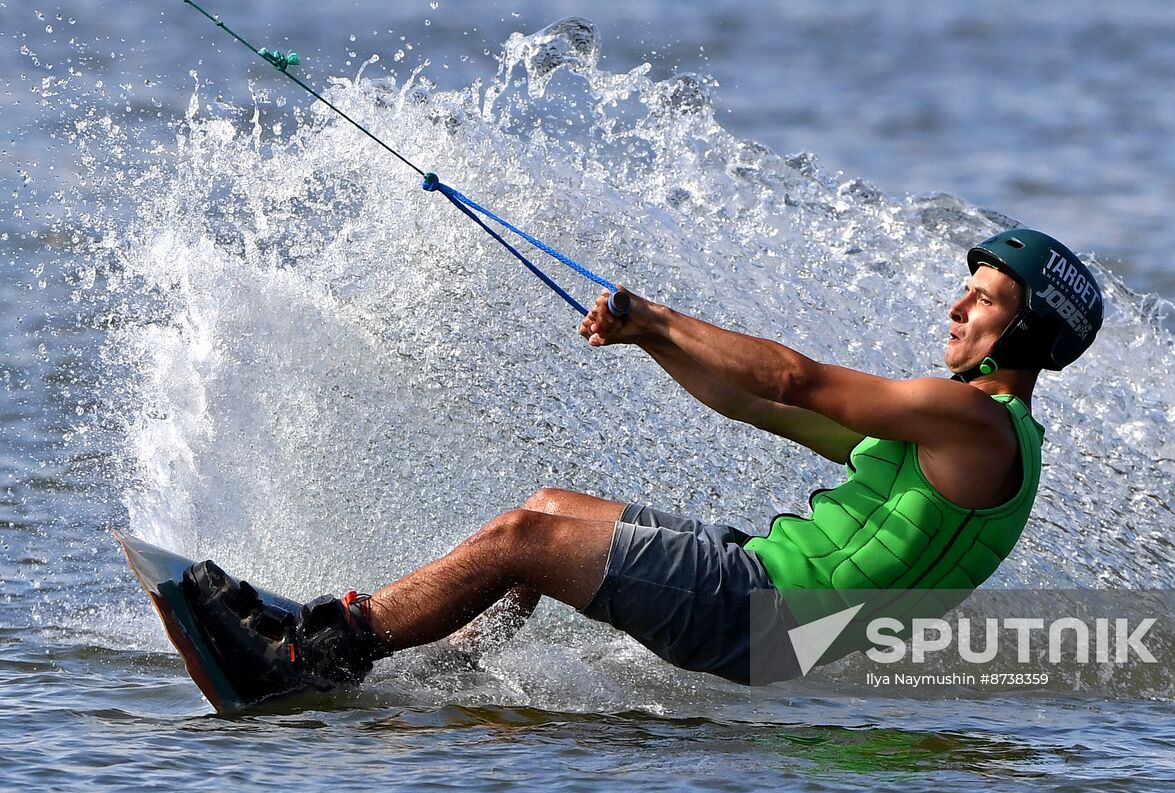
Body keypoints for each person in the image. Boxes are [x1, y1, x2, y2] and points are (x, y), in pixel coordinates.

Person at [181, 227, 1103, 702]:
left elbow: (795, 374)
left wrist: (658, 314)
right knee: (549, 507)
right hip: (782, 619)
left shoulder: (972, 422)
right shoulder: (964, 444)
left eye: (979, 301)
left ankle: (315, 655)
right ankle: (450, 665)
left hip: (768, 611)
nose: (954, 307)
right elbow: (757, 401)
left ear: (1024, 331)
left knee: (520, 539)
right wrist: (645, 342)